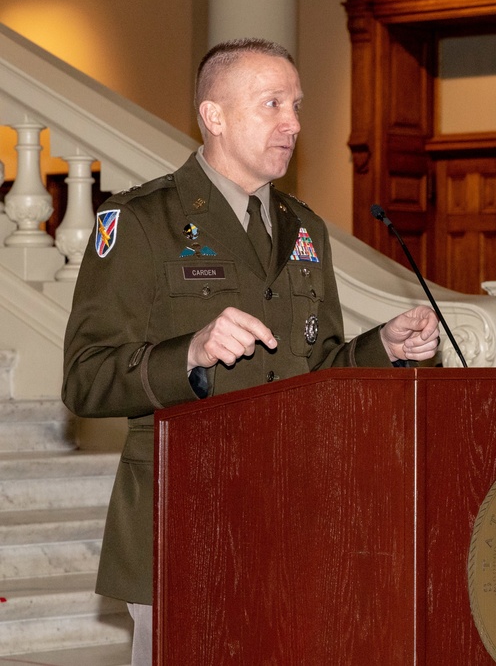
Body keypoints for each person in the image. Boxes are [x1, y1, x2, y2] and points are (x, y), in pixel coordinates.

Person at [61, 38, 439, 666]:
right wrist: (189, 354)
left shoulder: (304, 228)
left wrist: (383, 349)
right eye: (272, 104)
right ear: (215, 116)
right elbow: (85, 377)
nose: (293, 123)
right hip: (184, 523)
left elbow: (314, 368)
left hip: (296, 519)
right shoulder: (141, 222)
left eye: (296, 105)